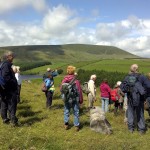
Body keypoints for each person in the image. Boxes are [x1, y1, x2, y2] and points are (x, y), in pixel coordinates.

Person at [120, 64, 146, 134]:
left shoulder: (127, 77)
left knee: (130, 113)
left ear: (131, 69)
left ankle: (130, 129)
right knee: (140, 113)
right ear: (137, 69)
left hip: (130, 98)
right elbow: (148, 86)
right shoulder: (142, 77)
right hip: (140, 99)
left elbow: (122, 88)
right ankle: (141, 130)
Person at [60, 65, 83, 131]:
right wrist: (81, 101)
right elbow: (79, 91)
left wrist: (64, 96)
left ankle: (66, 124)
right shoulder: (76, 81)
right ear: (73, 71)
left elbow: (61, 89)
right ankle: (76, 126)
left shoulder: (64, 79)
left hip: (67, 98)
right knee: (76, 112)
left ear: (67, 71)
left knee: (66, 111)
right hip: (75, 98)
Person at [0, 51, 18, 126]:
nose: (13, 57)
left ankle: (5, 119)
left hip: (3, 88)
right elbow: (5, 76)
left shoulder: (2, 64)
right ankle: (13, 121)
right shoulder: (6, 64)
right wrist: (13, 82)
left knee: (4, 103)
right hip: (9, 89)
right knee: (12, 103)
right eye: (12, 56)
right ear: (8, 57)